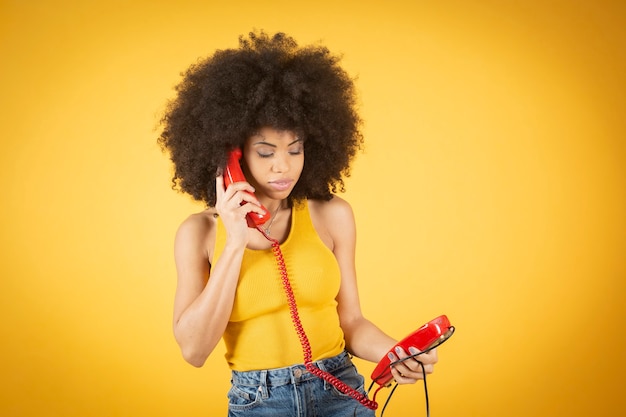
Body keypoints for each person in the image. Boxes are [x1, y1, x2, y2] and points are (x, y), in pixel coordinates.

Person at [158, 30, 439, 416]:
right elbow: (193, 350)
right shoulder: (201, 233)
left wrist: (395, 352)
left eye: (295, 149)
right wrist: (235, 240)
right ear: (230, 156)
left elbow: (351, 320)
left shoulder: (332, 215)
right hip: (259, 401)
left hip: (340, 390)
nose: (283, 166)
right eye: (265, 152)